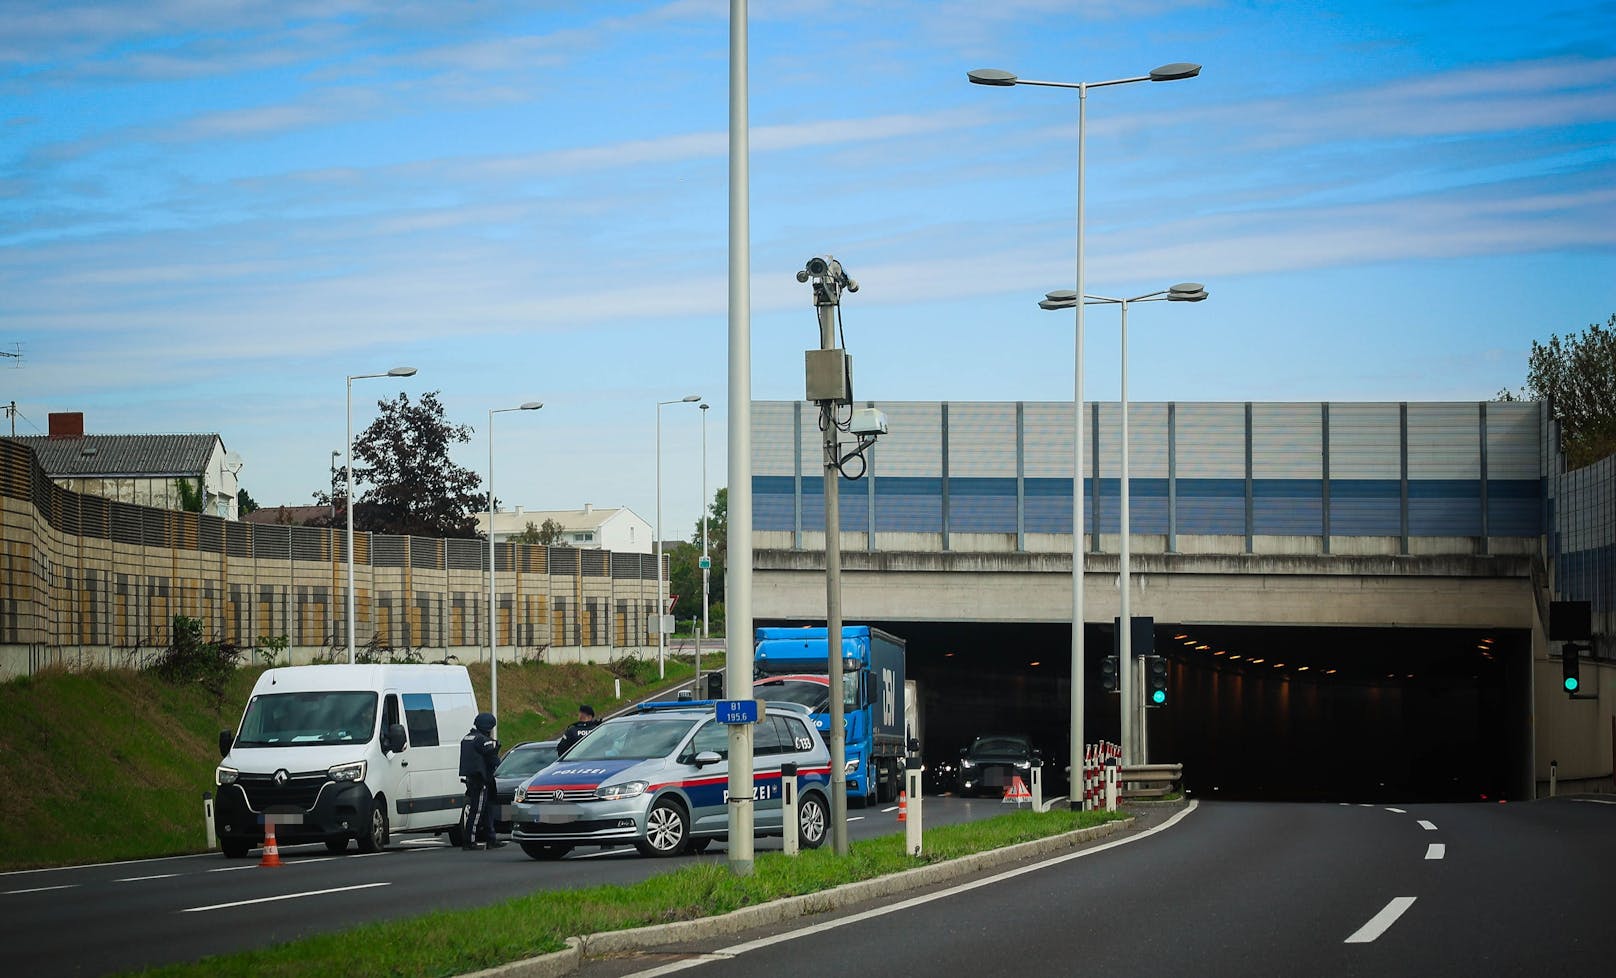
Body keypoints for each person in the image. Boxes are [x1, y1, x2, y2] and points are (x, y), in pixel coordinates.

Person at [458, 712, 502, 850]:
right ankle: (469, 841)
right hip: (481, 780)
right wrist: (497, 752)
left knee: (487, 808)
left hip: (472, 779)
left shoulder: (467, 738)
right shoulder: (482, 740)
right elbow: (492, 757)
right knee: (477, 810)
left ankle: (491, 838)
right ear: (488, 727)